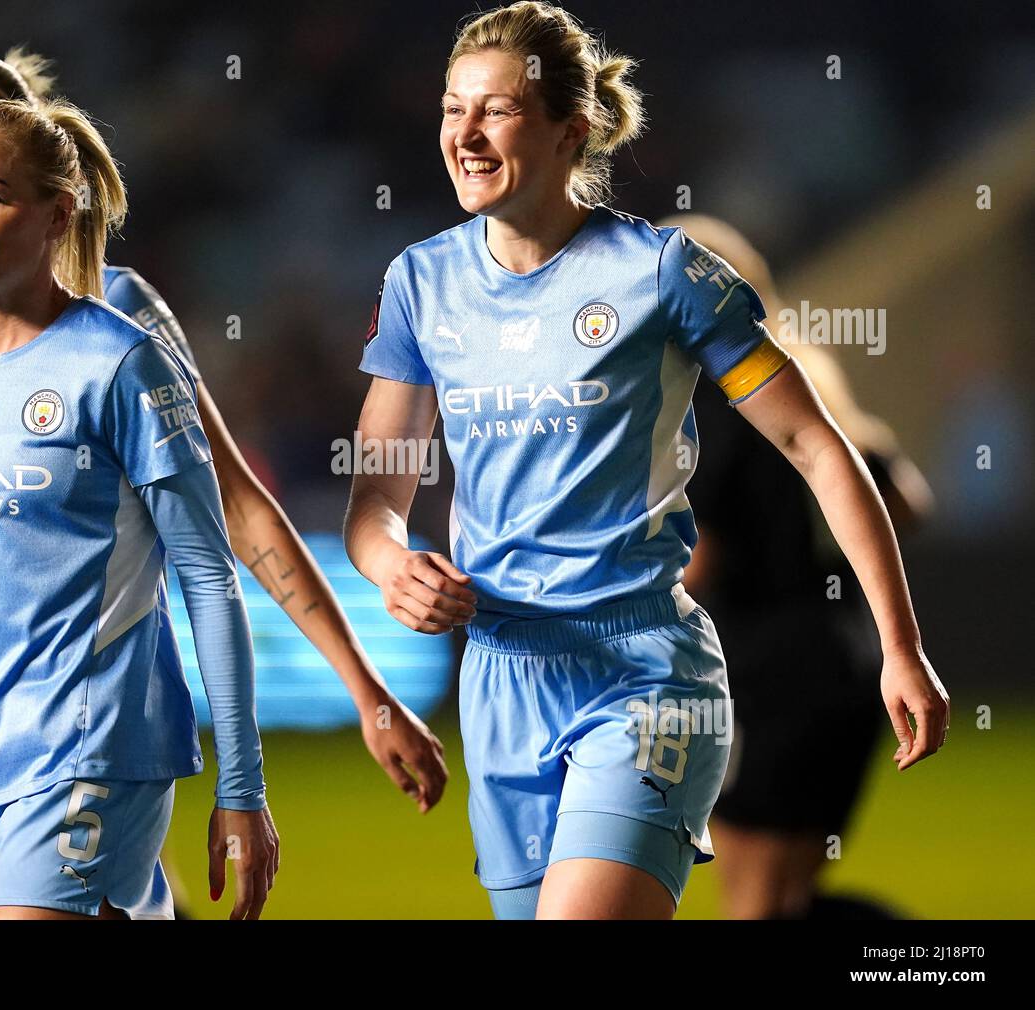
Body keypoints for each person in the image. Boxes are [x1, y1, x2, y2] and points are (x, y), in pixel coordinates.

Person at [0, 50, 447, 919]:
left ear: (36, 169)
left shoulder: (117, 335)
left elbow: (226, 527)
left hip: (89, 732)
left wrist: (339, 713)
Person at [344, 0, 949, 920]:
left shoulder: (666, 273)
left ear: (569, 131)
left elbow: (816, 445)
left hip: (643, 673)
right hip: (501, 680)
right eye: (451, 107)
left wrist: (899, 646)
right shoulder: (420, 283)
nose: (463, 134)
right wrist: (394, 568)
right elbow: (376, 499)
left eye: (496, 110)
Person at [663, 214, 933, 919]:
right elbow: (906, 501)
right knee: (793, 899)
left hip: (759, 674)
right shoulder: (813, 384)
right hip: (848, 663)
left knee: (752, 902)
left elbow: (696, 564)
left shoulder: (716, 403)